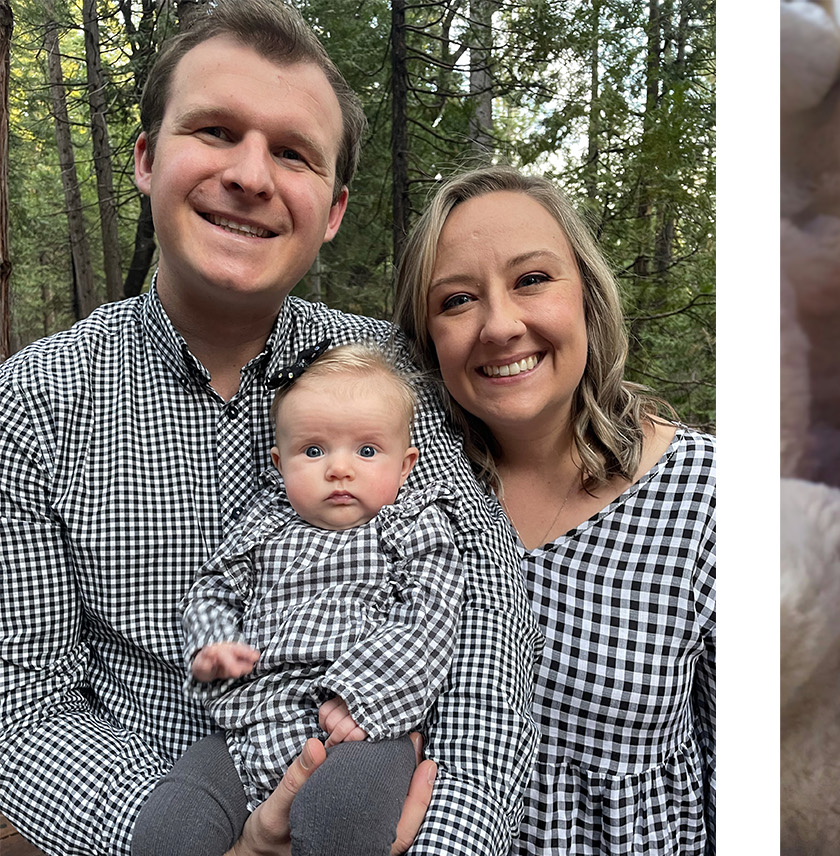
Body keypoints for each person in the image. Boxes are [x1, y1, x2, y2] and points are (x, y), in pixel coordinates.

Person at [0, 2, 539, 853]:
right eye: (215, 131)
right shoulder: (36, 401)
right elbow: (25, 702)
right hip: (166, 805)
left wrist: (448, 839)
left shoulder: (390, 374)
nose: (251, 175)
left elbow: (484, 616)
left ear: (333, 208)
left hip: (372, 773)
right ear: (147, 158)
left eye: (293, 153)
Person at [393, 165, 716, 854]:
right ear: (426, 337)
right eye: (457, 300)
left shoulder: (707, 498)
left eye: (532, 279)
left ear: (587, 297)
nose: (500, 326)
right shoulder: (402, 494)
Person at [130, 343, 463, 855]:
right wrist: (215, 644)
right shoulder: (264, 526)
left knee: (341, 821)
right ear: (279, 463)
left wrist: (364, 696)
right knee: (166, 832)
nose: (339, 469)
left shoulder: (414, 525)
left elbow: (428, 618)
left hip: (358, 726)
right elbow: (213, 588)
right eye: (313, 451)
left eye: (366, 451)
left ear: (405, 466)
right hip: (249, 724)